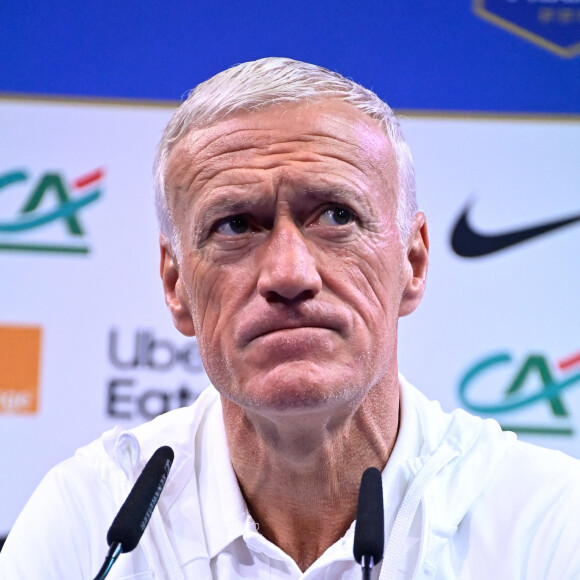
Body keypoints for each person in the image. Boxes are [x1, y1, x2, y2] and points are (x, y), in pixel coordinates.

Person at [1, 57, 580, 580]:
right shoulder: (91, 521)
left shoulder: (547, 524)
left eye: (334, 215)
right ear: (176, 285)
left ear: (413, 260)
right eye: (234, 225)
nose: (288, 273)